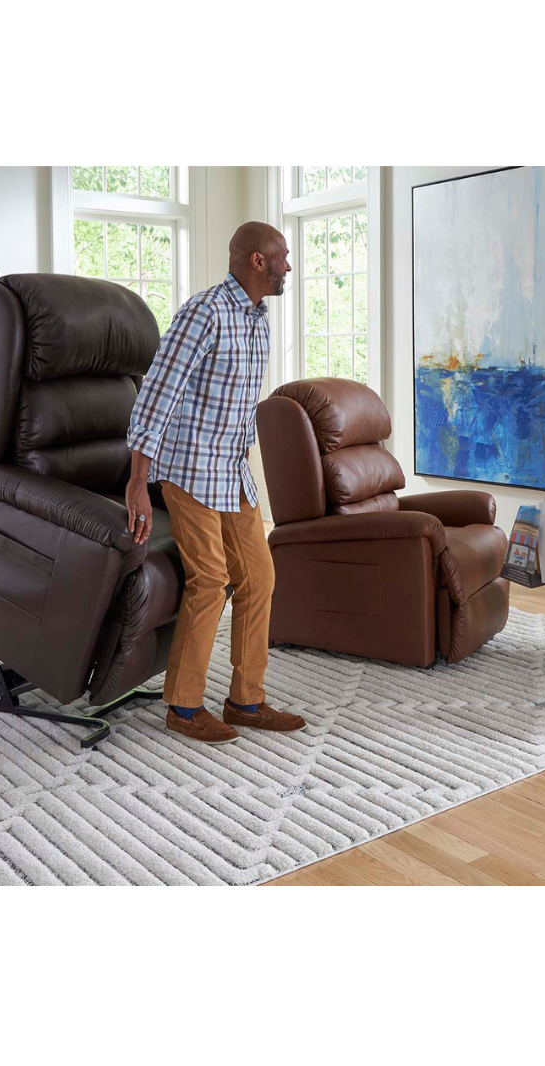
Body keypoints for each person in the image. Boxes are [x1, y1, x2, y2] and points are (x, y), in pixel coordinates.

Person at [124, 222, 306, 743]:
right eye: (282, 257)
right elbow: (156, 394)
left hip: (230, 471)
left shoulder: (257, 319)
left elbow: (237, 402)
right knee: (209, 579)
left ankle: (246, 700)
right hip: (189, 470)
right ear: (256, 260)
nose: (287, 266)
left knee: (260, 578)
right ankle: (183, 707)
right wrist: (139, 481)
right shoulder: (204, 312)